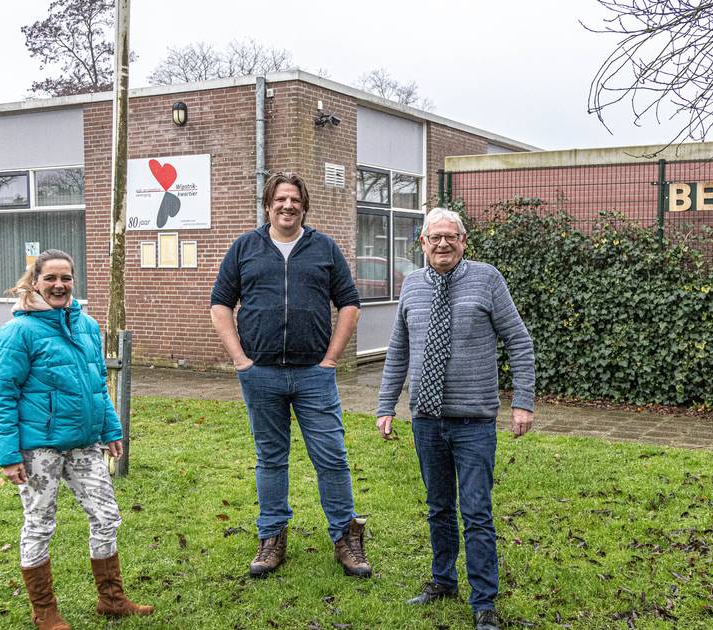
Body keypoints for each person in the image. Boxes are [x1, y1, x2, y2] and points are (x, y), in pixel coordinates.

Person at [376, 208, 536, 630]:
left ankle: (484, 601)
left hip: (474, 422)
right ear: (423, 243)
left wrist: (523, 401)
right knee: (438, 507)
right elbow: (398, 351)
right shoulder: (412, 286)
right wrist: (385, 405)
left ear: (463, 241)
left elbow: (519, 340)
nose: (443, 243)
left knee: (477, 512)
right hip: (427, 420)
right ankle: (443, 581)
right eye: (435, 237)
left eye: (451, 236)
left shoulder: (487, 280)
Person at [210, 172, 370, 579]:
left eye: (295, 200)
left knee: (331, 456)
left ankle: (346, 537)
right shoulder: (245, 247)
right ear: (268, 205)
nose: (287, 205)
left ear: (304, 206)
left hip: (314, 374)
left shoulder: (324, 248)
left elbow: (349, 304)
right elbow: (220, 304)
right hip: (260, 373)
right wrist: (240, 360)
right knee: (270, 458)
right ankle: (272, 537)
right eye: (280, 199)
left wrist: (331, 360)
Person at [0, 249, 153, 630]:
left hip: (84, 444)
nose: (59, 285)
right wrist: (8, 455)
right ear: (35, 283)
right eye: (50, 278)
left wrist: (111, 429)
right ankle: (44, 611)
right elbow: (0, 394)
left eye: (66, 278)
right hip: (38, 447)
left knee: (107, 516)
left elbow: (97, 384)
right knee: (39, 523)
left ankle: (111, 599)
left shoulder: (87, 326)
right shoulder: (18, 332)